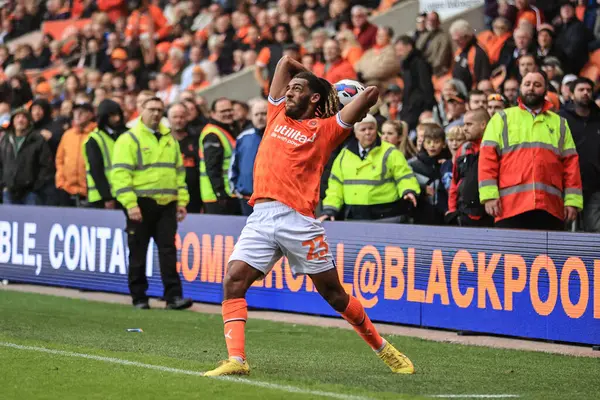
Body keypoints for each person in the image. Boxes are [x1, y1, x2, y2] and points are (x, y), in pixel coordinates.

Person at [204, 56, 415, 377]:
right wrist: (310, 80)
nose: (287, 93)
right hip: (260, 216)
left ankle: (384, 348)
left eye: (297, 90)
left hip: (298, 221)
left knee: (334, 295)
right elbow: (285, 63)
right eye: (288, 89)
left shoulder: (327, 128)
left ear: (314, 98)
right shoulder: (276, 114)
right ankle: (237, 360)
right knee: (233, 280)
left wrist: (332, 90)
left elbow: (371, 93)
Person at [111, 97, 193, 310]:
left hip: (167, 204)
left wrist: (181, 201)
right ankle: (139, 297)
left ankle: (173, 297)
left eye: (159, 109)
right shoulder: (129, 139)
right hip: (140, 202)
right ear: (141, 110)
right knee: (138, 251)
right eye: (152, 109)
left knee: (168, 251)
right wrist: (130, 204)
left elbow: (178, 174)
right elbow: (120, 175)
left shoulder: (169, 139)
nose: (156, 114)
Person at [478, 71, 583, 230]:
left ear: (546, 89)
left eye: (537, 84)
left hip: (550, 208)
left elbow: (571, 165)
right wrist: (489, 196)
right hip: (509, 208)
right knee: (511, 254)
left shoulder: (560, 123)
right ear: (520, 87)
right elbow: (487, 159)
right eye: (527, 84)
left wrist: (572, 201)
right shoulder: (502, 118)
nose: (531, 88)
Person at [320, 114, 420, 222]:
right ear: (355, 133)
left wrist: (408, 190)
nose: (367, 132)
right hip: (355, 216)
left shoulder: (390, 152)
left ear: (376, 130)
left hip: (387, 215)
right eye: (363, 129)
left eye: (371, 128)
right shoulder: (344, 155)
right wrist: (330, 209)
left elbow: (404, 175)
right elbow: (335, 186)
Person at [559, 77, 600, 232]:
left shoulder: (598, 118)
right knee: (564, 230)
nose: (585, 93)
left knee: (595, 229)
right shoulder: (561, 119)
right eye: (581, 90)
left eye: (589, 90)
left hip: (594, 185)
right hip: (566, 183)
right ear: (571, 94)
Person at [447, 109, 494, 227]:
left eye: (469, 124)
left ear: (483, 125)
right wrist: (452, 210)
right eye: (464, 124)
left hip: (489, 214)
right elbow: (454, 183)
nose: (464, 128)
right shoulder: (462, 150)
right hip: (464, 215)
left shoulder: (495, 149)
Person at [0, 108, 54, 205]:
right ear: (12, 121)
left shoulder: (38, 139)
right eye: (17, 117)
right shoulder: (5, 140)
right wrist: (3, 184)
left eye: (24, 117)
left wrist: (36, 186)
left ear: (29, 121)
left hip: (30, 193)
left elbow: (46, 165)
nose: (20, 120)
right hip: (8, 191)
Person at [83, 99, 127, 209]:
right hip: (101, 197)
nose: (117, 119)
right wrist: (107, 197)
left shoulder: (125, 135)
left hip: (123, 193)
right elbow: (96, 170)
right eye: (112, 115)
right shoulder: (94, 139)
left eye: (118, 114)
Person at [199, 98, 240, 215]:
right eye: (223, 111)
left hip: (228, 193)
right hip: (218, 196)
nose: (227, 114)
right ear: (213, 114)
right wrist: (220, 193)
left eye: (229, 110)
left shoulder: (228, 128)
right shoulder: (212, 134)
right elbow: (212, 167)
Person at [229, 99, 268, 216]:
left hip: (272, 199)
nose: (260, 117)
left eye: (264, 113)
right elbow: (233, 165)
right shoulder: (243, 137)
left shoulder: (279, 136)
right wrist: (236, 189)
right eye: (257, 114)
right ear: (251, 116)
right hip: (247, 198)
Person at [55, 102, 97, 207]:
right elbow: (60, 159)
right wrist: (60, 180)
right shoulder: (67, 135)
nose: (78, 115)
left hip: (91, 191)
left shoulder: (96, 134)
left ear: (91, 115)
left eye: (82, 112)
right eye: (76, 112)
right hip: (67, 190)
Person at [168, 103, 202, 213]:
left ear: (187, 117)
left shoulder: (197, 139)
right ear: (168, 119)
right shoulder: (161, 141)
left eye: (182, 117)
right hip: (168, 195)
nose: (178, 120)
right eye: (175, 117)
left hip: (194, 195)